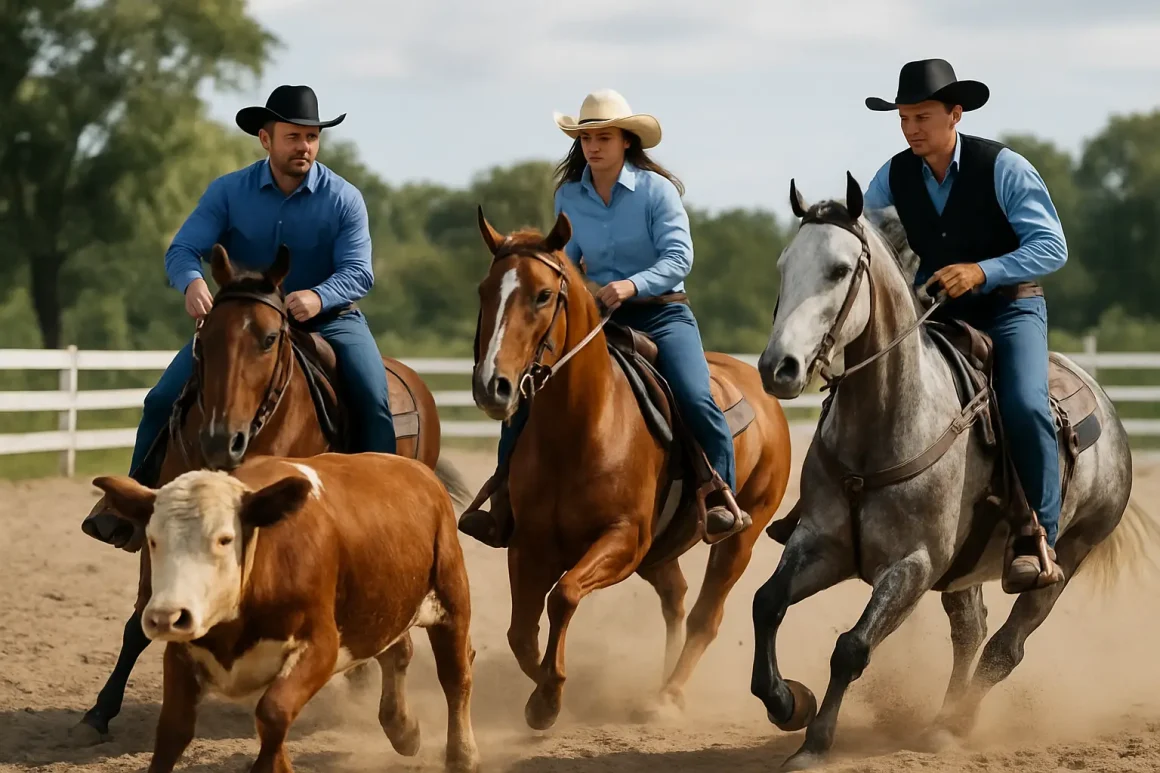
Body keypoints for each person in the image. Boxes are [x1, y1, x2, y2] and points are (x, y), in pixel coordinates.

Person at [772, 59, 1067, 592]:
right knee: (855, 381)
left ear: (955, 114)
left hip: (1010, 307)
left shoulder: (1004, 168)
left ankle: (1035, 534)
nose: (910, 128)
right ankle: (816, 506)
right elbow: (875, 247)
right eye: (904, 117)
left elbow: (1052, 246)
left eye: (922, 116)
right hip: (938, 310)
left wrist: (982, 270)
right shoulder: (893, 177)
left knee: (1023, 402)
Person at [81, 84, 394, 549]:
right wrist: (192, 281)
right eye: (293, 136)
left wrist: (318, 295)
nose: (304, 146)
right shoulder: (228, 191)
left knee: (373, 397)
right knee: (161, 399)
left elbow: (359, 272)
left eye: (311, 137)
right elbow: (184, 248)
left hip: (326, 318)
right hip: (242, 325)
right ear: (266, 140)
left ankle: (385, 510)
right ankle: (131, 505)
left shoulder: (344, 198)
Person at [457, 88, 749, 549]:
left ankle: (717, 495)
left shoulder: (657, 193)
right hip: (597, 317)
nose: (592, 147)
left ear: (627, 142)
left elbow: (679, 257)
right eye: (585, 138)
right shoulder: (569, 196)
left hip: (662, 314)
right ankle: (503, 499)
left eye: (603, 138)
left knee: (694, 396)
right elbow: (565, 261)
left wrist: (632, 285)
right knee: (531, 388)